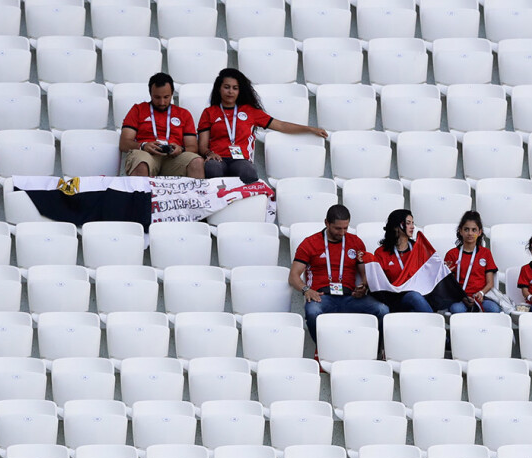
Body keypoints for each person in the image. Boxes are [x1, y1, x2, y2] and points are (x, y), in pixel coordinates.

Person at [198, 68, 328, 183]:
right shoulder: (209, 113)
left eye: (235, 88)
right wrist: (209, 153)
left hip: (240, 159)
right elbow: (202, 145)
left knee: (247, 170)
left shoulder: (250, 112)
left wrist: (310, 128)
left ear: (240, 91)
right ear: (219, 88)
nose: (230, 91)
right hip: (218, 158)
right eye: (226, 87)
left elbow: (281, 125)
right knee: (212, 167)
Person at [289, 204, 390, 342]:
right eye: (338, 228)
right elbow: (293, 276)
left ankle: (376, 349)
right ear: (327, 223)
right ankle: (323, 348)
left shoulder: (355, 242)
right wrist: (306, 289)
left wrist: (363, 286)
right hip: (322, 297)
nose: (342, 233)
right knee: (312, 312)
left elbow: (365, 273)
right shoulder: (310, 243)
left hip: (350, 297)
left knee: (382, 310)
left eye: (345, 228)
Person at [119, 73, 204, 178]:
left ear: (172, 93)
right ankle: (141, 195)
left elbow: (193, 146)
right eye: (157, 97)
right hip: (146, 154)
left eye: (166, 97)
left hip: (174, 158)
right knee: (141, 163)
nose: (162, 102)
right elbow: (124, 143)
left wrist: (181, 149)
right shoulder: (138, 110)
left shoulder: (183, 114)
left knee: (197, 162)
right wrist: (143, 145)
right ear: (150, 93)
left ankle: (195, 195)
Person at [372, 209, 434, 312]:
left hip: (420, 296)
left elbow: (428, 275)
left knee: (413, 309)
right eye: (408, 223)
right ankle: (434, 324)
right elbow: (379, 283)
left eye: (413, 223)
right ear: (396, 226)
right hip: (394, 299)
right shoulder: (381, 253)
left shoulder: (419, 249)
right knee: (414, 297)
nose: (412, 227)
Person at [444, 211, 501, 313]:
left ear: (479, 232)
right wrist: (462, 297)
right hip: (460, 298)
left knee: (494, 309)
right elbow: (449, 285)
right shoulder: (452, 254)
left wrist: (481, 293)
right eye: (466, 229)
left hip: (481, 297)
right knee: (456, 309)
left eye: (474, 230)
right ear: (460, 231)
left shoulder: (485, 253)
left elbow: (490, 282)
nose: (470, 233)